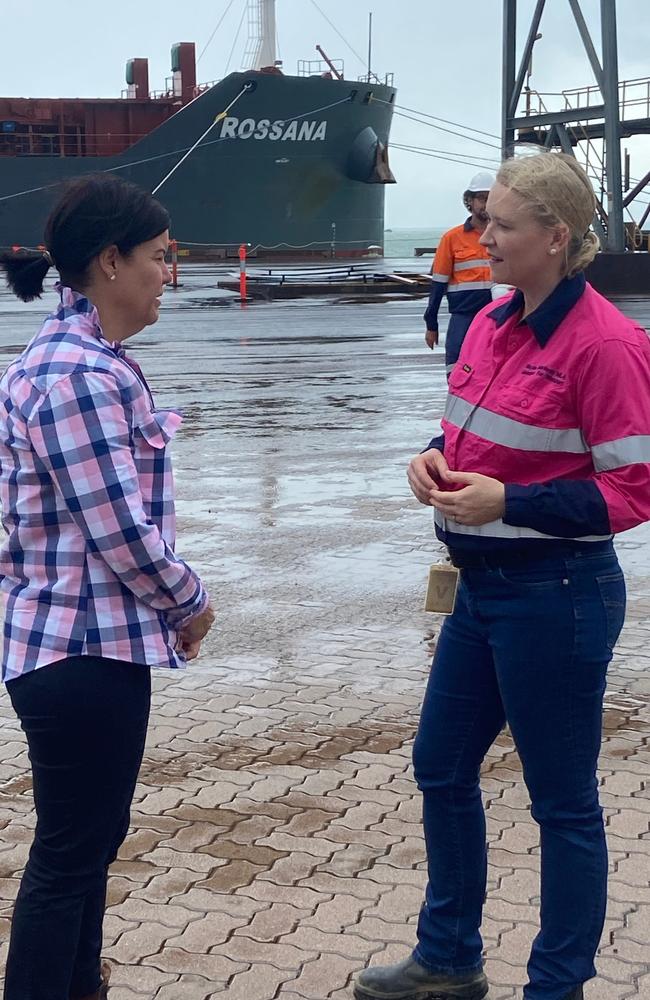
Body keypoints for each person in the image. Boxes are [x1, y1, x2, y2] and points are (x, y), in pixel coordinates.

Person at [354, 151, 650, 1000]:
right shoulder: (489, 322)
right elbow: (469, 433)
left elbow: (634, 489)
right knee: (441, 766)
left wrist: (511, 501)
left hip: (557, 595)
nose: (482, 237)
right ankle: (448, 958)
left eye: (503, 225)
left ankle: (555, 987)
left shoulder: (608, 346)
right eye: (485, 221)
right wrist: (431, 458)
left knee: (562, 804)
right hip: (480, 591)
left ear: (556, 238)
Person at [0, 174, 215, 1000]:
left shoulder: (82, 363)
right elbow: (120, 530)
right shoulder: (78, 377)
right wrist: (190, 600)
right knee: (70, 851)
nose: (171, 273)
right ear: (111, 261)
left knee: (86, 842)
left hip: (80, 649)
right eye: (162, 257)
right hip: (77, 652)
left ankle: (78, 984)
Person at [424, 171, 495, 376]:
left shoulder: (504, 236)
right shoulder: (452, 238)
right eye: (481, 198)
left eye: (490, 199)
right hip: (464, 315)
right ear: (470, 201)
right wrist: (432, 325)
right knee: (456, 370)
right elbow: (437, 285)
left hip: (498, 316)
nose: (486, 204)